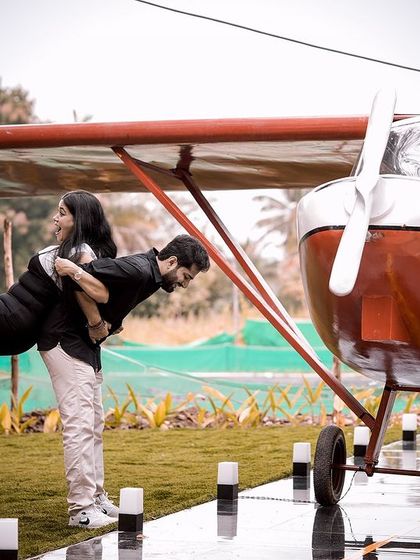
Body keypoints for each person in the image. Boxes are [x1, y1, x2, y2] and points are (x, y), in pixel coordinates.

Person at [42, 234, 210, 529]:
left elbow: (103, 292)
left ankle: (95, 498)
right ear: (171, 262)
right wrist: (96, 322)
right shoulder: (138, 269)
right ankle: (81, 510)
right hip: (64, 340)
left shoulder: (149, 277)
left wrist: (111, 321)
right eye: (186, 276)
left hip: (85, 346)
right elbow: (72, 276)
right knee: (80, 426)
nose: (185, 283)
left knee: (93, 425)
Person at [0, 191, 114, 354]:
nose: (55, 218)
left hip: (13, 319)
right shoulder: (76, 251)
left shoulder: (82, 254)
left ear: (80, 221)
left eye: (62, 213)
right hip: (14, 320)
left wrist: (97, 324)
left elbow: (93, 293)